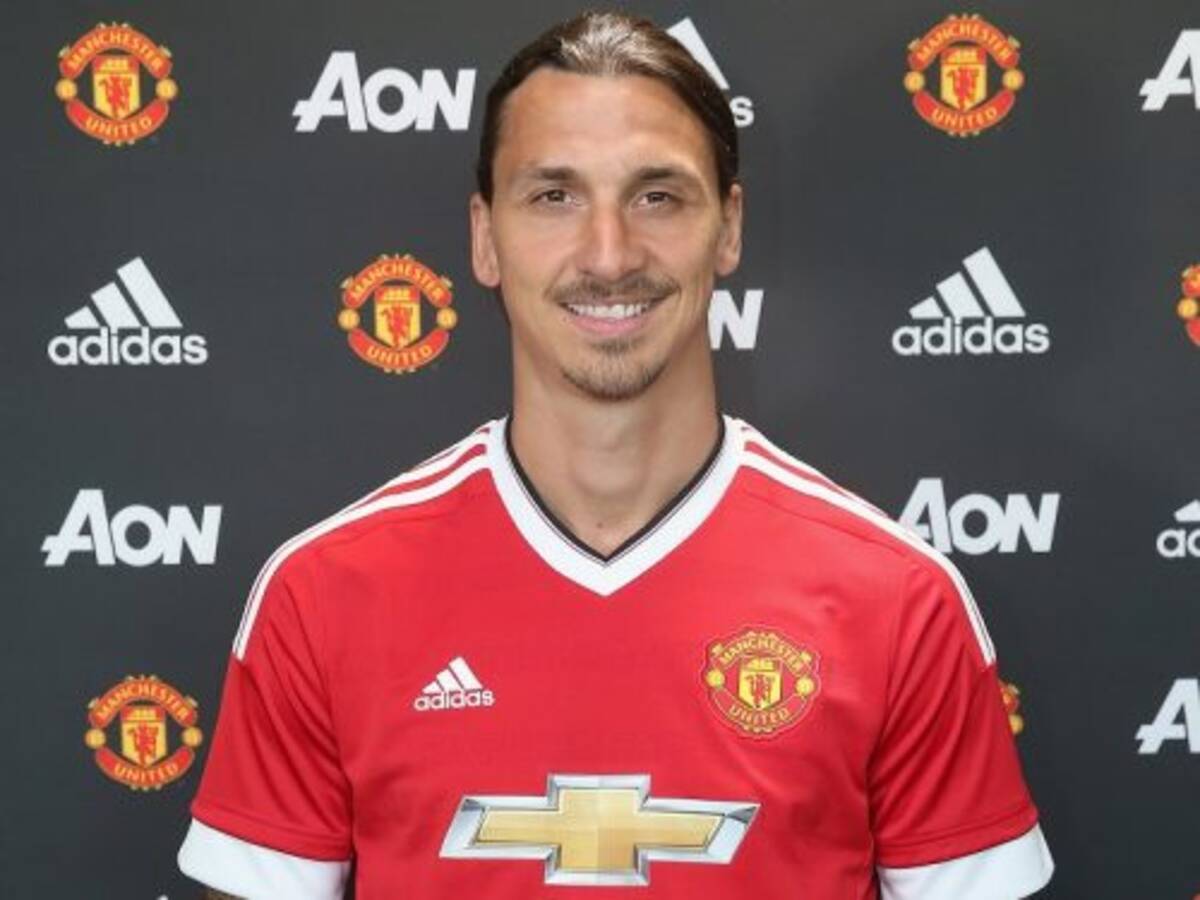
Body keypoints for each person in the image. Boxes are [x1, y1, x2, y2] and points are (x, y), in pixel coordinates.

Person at [178, 11, 1054, 899]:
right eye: (553, 196)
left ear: (729, 228)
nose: (608, 254)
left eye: (657, 196)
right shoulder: (324, 595)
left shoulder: (898, 602)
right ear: (484, 237)